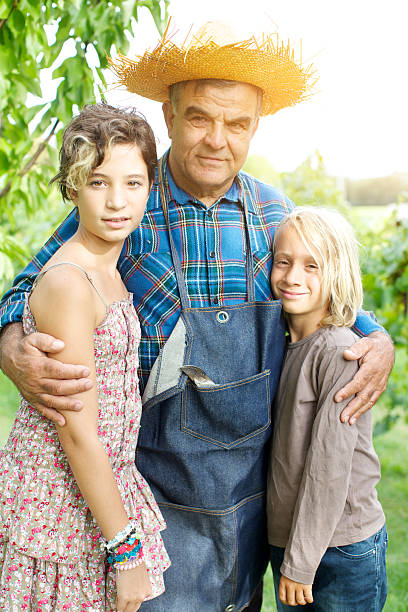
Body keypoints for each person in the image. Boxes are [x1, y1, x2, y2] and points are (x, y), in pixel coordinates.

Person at [0, 22, 394, 612]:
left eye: (237, 124)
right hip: (156, 493)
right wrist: (10, 344)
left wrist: (377, 337)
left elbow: (331, 293)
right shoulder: (127, 198)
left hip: (253, 491)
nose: (218, 140)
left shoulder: (274, 215)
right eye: (200, 118)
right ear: (169, 115)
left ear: (255, 127)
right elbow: (30, 285)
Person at [0, 104, 170, 611]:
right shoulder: (69, 283)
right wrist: (127, 552)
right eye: (98, 183)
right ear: (72, 187)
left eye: (133, 183)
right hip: (57, 502)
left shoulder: (108, 269)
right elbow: (77, 430)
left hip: (96, 493)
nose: (117, 201)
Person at [268, 207, 387, 611]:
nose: (292, 276)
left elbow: (328, 469)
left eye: (311, 265)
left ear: (337, 273)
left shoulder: (338, 352)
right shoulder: (283, 344)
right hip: (295, 542)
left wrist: (299, 565)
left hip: (339, 547)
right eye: (283, 262)